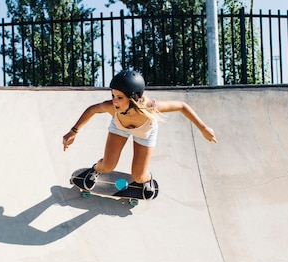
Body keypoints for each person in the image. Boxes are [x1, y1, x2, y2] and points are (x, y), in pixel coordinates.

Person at [62, 70, 218, 199]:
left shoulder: (151, 107)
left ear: (134, 98)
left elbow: (182, 106)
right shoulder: (111, 107)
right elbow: (91, 110)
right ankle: (95, 169)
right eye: (113, 96)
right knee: (108, 166)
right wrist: (73, 131)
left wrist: (203, 128)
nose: (115, 101)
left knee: (138, 176)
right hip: (119, 128)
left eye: (120, 98)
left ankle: (147, 179)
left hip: (145, 132)